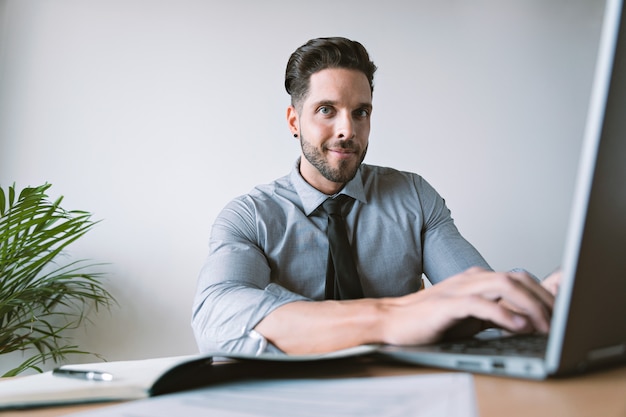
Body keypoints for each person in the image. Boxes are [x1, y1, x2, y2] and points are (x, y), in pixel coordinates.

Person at [192, 37, 559, 356]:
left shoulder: (413, 196)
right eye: (326, 110)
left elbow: (478, 297)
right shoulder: (250, 217)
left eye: (360, 112)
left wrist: (541, 294)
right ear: (293, 121)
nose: (347, 130)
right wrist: (390, 318)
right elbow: (216, 317)